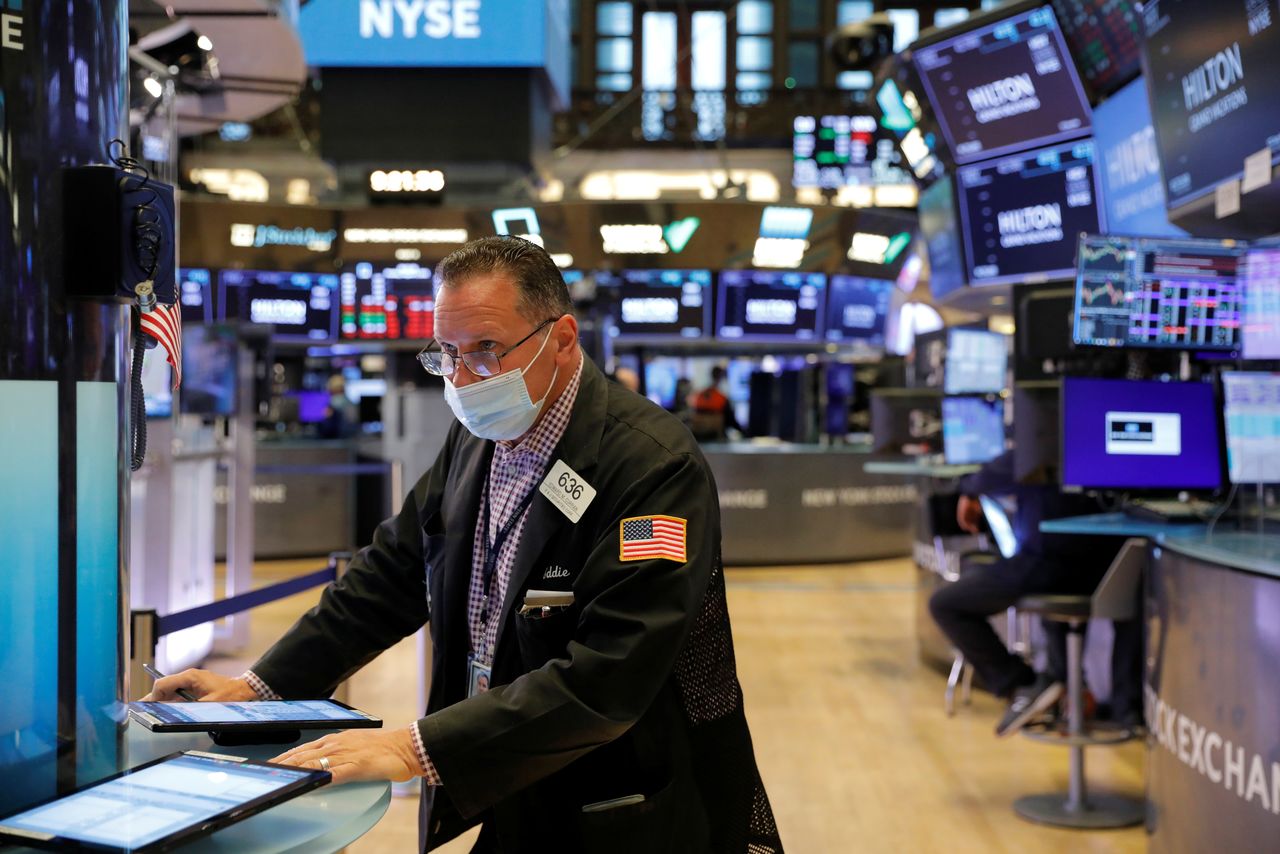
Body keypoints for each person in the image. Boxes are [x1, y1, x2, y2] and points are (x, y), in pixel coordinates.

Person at [146, 237, 782, 854]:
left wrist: (412, 748)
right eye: (447, 352)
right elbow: (390, 575)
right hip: (507, 775)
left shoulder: (650, 467)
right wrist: (260, 689)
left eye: (486, 349)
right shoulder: (477, 437)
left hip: (621, 804)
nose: (464, 377)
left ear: (561, 341)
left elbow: (610, 678)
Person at [927, 450, 1136, 736]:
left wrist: (968, 489)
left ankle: (1024, 685)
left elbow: (991, 475)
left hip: (1048, 564)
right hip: (1114, 566)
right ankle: (1111, 704)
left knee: (946, 604)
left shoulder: (1041, 434)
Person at [687, 366, 740, 442]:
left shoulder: (699, 395)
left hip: (699, 440)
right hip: (717, 439)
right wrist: (745, 432)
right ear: (721, 377)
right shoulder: (721, 398)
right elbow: (731, 421)